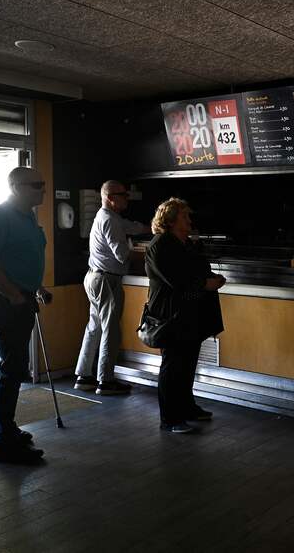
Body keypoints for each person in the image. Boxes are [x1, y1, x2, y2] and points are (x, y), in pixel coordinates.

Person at [0, 166, 51, 464]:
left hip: (21, 298)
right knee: (14, 368)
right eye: (37, 185)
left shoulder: (28, 217)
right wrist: (13, 294)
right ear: (16, 187)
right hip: (7, 303)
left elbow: (21, 259)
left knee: (11, 366)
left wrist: (37, 287)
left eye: (43, 184)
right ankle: (4, 443)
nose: (43, 189)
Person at [145, 198, 225, 433]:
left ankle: (187, 407)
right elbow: (176, 278)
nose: (189, 220)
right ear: (170, 220)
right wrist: (205, 283)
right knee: (172, 366)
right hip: (170, 315)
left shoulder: (186, 243)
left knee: (187, 364)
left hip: (190, 313)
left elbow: (197, 269)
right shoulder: (160, 245)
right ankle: (169, 419)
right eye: (184, 216)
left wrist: (211, 278)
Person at [74, 180, 148, 395]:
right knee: (111, 330)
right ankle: (105, 381)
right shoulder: (110, 220)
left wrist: (152, 228)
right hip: (107, 280)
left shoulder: (108, 216)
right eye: (123, 194)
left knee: (94, 327)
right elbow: (122, 255)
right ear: (109, 198)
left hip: (95, 277)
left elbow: (131, 226)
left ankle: (84, 376)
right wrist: (152, 254)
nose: (127, 197)